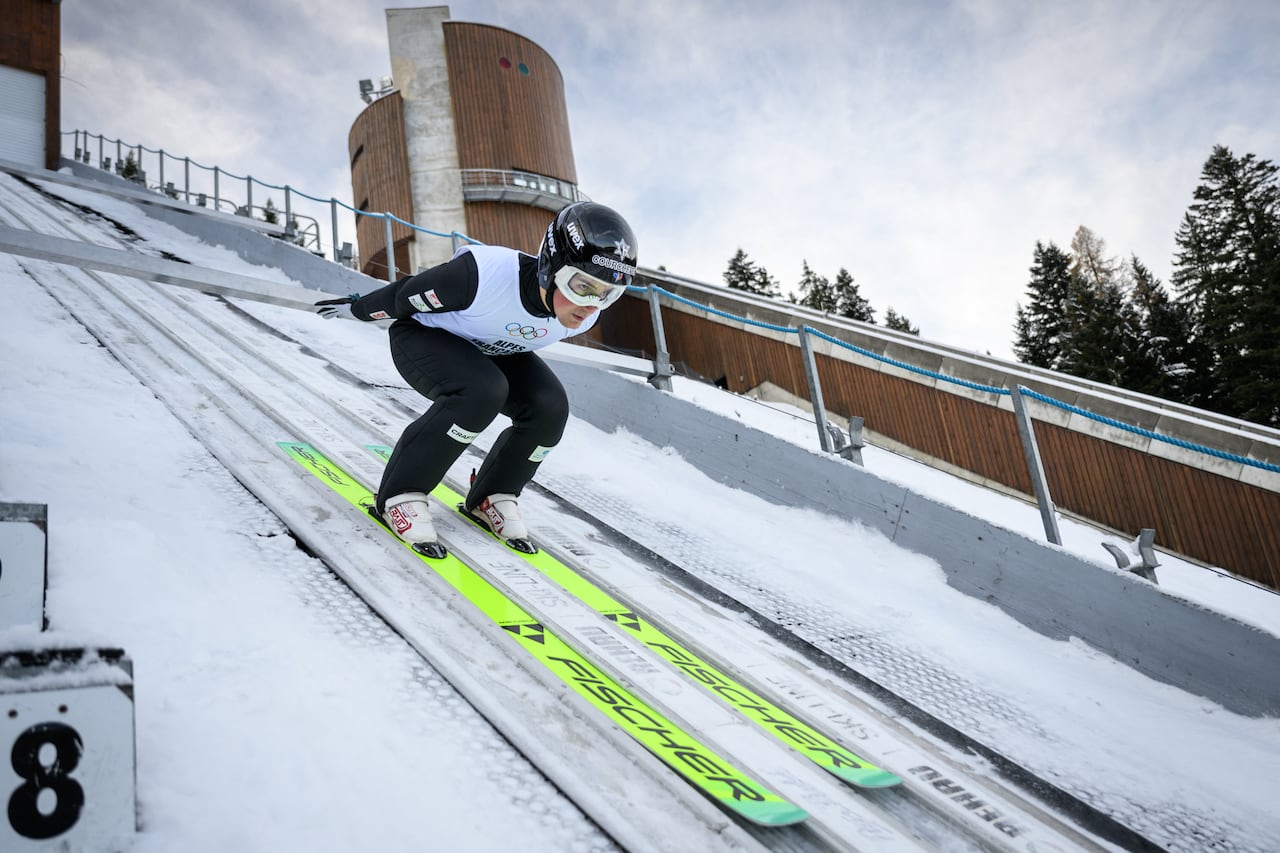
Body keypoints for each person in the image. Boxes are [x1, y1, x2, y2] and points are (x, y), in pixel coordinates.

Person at [315, 201, 637, 559]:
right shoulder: (483, 277)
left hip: (490, 348)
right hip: (423, 335)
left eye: (608, 294)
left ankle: (493, 495)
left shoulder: (582, 314)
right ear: (552, 266)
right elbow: (405, 296)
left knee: (550, 408)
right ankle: (401, 494)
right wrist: (358, 309)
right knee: (482, 392)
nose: (591, 304)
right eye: (582, 286)